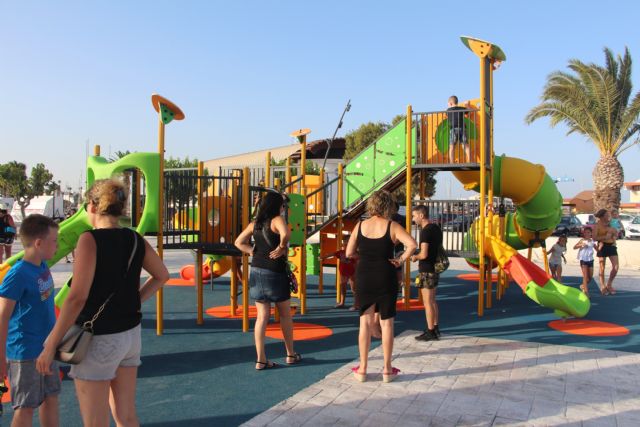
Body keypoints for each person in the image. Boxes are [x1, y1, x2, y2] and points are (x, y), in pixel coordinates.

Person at [35, 179, 169, 427]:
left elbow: (77, 298)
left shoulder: (89, 240)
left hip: (98, 339)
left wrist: (51, 343)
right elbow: (162, 275)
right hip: (130, 335)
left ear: (93, 206)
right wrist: (133, 300)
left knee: (95, 421)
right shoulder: (134, 238)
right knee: (126, 415)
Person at [346, 190, 416, 383]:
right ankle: (386, 369)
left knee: (365, 323)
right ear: (387, 206)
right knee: (386, 324)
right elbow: (412, 244)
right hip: (386, 274)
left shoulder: (360, 226)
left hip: (364, 275)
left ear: (371, 206)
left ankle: (363, 369)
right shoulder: (392, 226)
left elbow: (349, 252)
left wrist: (364, 256)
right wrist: (400, 259)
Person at [0, 214, 60, 427]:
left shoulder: (42, 266)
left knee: (51, 398)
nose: (58, 245)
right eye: (54, 240)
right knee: (25, 407)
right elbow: (2, 317)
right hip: (24, 353)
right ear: (38, 243)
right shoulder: (17, 275)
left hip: (46, 349)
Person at [235, 191, 301, 370]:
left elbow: (238, 242)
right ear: (277, 206)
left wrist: (251, 251)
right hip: (275, 272)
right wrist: (281, 247)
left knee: (261, 317)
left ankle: (261, 359)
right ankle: (290, 354)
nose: (283, 208)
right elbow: (286, 234)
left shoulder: (254, 223)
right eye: (282, 205)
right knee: (285, 315)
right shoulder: (276, 219)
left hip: (256, 271)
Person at [410, 204, 443, 341]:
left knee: (427, 302)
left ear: (421, 215)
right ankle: (435, 328)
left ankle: (430, 332)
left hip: (426, 269)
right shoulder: (436, 228)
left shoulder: (425, 231)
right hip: (434, 268)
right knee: (433, 301)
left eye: (414, 215)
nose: (413, 219)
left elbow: (423, 254)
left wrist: (414, 257)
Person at [320, 235, 358, 310]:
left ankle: (356, 304)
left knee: (354, 289)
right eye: (344, 242)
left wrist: (356, 272)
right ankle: (342, 302)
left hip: (352, 273)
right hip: (343, 273)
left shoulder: (354, 252)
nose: (344, 244)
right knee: (342, 287)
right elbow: (332, 254)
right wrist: (323, 257)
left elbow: (357, 261)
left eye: (346, 242)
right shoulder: (341, 252)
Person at [593, 208, 619, 295]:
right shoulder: (596, 226)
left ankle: (609, 284)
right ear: (602, 216)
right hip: (602, 246)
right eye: (607, 215)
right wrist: (605, 237)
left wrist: (614, 234)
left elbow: (616, 234)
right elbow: (594, 238)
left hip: (611, 246)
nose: (608, 216)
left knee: (616, 267)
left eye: (608, 215)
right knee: (602, 267)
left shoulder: (611, 224)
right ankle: (602, 285)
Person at [446, 95, 470, 163]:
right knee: (465, 145)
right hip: (462, 128)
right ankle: (469, 161)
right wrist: (467, 104)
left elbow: (447, 116)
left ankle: (451, 162)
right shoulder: (461, 108)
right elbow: (468, 111)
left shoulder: (448, 110)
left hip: (453, 129)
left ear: (450, 103)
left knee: (452, 146)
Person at [574, 228, 596, 296]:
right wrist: (581, 245)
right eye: (585, 232)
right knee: (585, 276)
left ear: (591, 233)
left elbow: (597, 248)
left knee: (590, 277)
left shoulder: (592, 241)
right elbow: (574, 247)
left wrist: (600, 247)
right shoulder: (582, 240)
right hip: (583, 259)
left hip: (590, 260)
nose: (586, 234)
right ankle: (586, 292)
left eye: (588, 232)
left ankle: (583, 286)